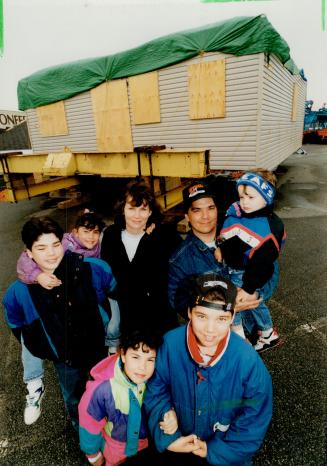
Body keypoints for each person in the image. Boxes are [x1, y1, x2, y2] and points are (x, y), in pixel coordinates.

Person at [144, 272, 273, 466]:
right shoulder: (170, 344)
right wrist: (165, 418)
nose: (210, 329)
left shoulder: (248, 361)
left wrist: (215, 451)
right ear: (189, 312)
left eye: (221, 319)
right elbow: (155, 389)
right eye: (202, 316)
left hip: (226, 456)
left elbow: (255, 418)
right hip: (180, 443)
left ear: (232, 318)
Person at [3, 216, 117, 430]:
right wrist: (44, 346)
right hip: (64, 361)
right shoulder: (18, 293)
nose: (51, 254)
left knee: (108, 392)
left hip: (98, 351)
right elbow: (16, 323)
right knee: (74, 399)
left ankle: (112, 432)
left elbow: (112, 291)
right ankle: (84, 433)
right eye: (41, 248)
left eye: (56, 245)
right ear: (28, 253)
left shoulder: (93, 268)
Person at [168, 179, 279, 333]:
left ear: (217, 209)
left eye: (210, 208)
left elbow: (271, 269)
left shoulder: (242, 234)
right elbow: (179, 303)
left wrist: (255, 294)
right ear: (186, 216)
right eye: (197, 210)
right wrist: (223, 308)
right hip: (218, 335)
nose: (205, 216)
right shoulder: (179, 260)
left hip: (254, 328)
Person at [215, 170, 286, 350]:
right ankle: (267, 332)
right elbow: (227, 230)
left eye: (250, 197)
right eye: (241, 196)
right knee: (251, 304)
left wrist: (248, 288)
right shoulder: (237, 210)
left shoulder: (268, 228)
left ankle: (239, 340)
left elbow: (262, 265)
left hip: (243, 273)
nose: (244, 202)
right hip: (228, 266)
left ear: (266, 198)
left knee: (235, 302)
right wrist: (219, 246)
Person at [101, 179, 181, 335]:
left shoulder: (165, 236)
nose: (137, 216)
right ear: (123, 209)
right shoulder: (111, 235)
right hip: (128, 319)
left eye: (143, 209)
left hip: (161, 319)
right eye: (131, 208)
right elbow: (110, 275)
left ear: (150, 212)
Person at [78, 329, 163, 466]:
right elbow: (89, 425)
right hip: (116, 453)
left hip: (146, 446)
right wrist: (93, 455)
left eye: (150, 360)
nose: (142, 367)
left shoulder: (156, 380)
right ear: (123, 354)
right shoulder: (102, 390)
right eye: (135, 357)